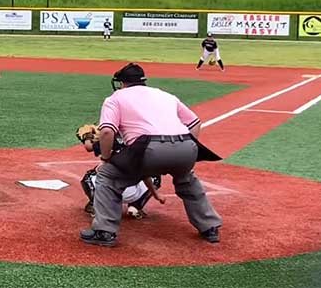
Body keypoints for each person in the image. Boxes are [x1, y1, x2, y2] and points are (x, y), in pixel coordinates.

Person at [80, 63, 222, 247]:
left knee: (107, 176)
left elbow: (107, 132)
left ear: (122, 83)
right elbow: (195, 122)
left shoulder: (115, 98)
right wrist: (182, 148)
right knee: (187, 180)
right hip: (187, 147)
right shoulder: (165, 95)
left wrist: (106, 158)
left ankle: (105, 231)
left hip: (147, 148)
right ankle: (210, 227)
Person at [76, 126, 164, 219]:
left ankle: (96, 204)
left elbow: (89, 147)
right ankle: (135, 207)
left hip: (108, 191)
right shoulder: (139, 143)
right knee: (154, 175)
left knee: (89, 176)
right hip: (133, 193)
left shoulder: (110, 139)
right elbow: (146, 176)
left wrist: (87, 137)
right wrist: (156, 194)